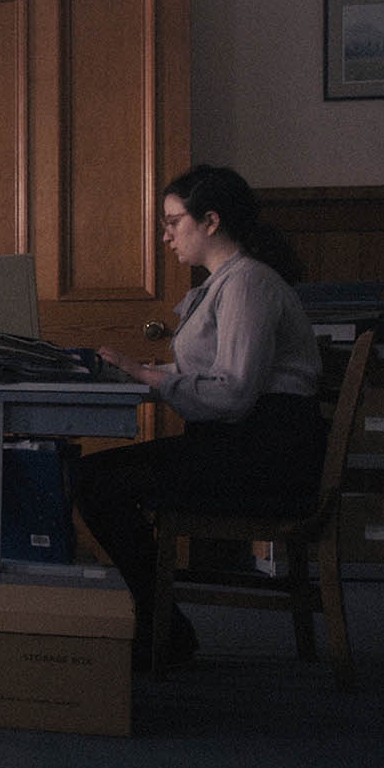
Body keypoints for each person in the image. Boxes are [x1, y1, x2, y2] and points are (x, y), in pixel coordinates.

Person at [74, 165, 325, 670]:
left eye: (173, 222)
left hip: (267, 458)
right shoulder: (227, 284)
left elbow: (232, 393)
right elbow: (207, 374)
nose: (166, 236)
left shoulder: (248, 283)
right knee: (96, 478)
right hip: (246, 445)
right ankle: (161, 623)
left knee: (95, 481)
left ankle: (163, 627)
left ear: (210, 221)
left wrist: (143, 374)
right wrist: (130, 371)